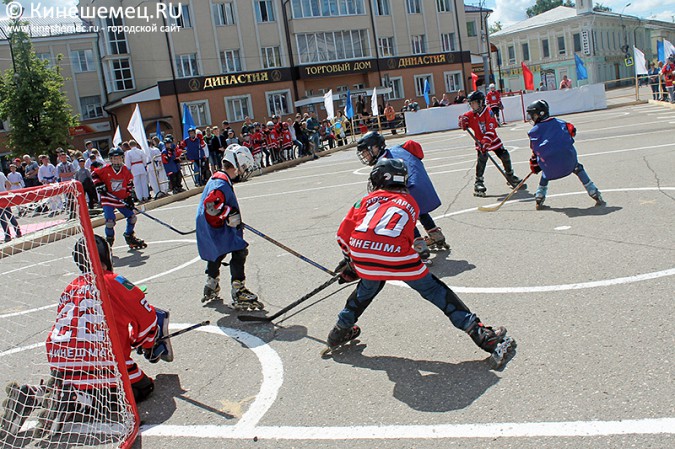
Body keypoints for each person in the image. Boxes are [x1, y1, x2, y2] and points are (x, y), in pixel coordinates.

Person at [323, 158, 515, 368]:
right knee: (435, 291)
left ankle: (340, 330)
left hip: (362, 254)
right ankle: (482, 335)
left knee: (368, 285)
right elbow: (402, 236)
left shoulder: (364, 201)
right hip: (397, 256)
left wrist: (351, 263)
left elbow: (343, 235)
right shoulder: (411, 202)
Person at [0, 235, 173, 439]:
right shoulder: (114, 281)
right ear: (105, 257)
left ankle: (32, 394)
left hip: (60, 360)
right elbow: (148, 318)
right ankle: (74, 398)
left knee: (78, 378)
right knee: (143, 388)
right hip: (99, 359)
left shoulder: (71, 286)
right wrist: (144, 343)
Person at [355, 132, 449, 260]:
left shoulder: (383, 164)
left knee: (405, 215)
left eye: (366, 151)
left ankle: (419, 245)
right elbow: (414, 148)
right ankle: (436, 234)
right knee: (419, 210)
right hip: (421, 186)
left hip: (409, 190)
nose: (365, 155)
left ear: (376, 147)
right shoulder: (397, 149)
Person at [196, 145, 263, 310]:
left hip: (208, 226)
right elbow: (212, 207)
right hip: (214, 226)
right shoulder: (220, 183)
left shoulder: (219, 178)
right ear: (237, 164)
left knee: (217, 252)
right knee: (239, 249)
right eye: (243, 167)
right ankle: (238, 289)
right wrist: (228, 215)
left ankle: (211, 283)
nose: (242, 171)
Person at [526, 100, 605, 209]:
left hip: (550, 169)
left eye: (532, 115)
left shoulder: (533, 132)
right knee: (578, 168)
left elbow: (535, 151)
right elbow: (573, 132)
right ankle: (594, 192)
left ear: (540, 114)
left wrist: (535, 166)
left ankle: (539, 196)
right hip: (569, 163)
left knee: (545, 171)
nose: (531, 118)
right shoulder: (563, 123)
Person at [459, 90, 524, 197]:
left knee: (505, 155)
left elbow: (490, 129)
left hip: (492, 140)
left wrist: (486, 142)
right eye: (470, 103)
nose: (471, 105)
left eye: (473, 103)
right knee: (482, 159)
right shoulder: (472, 114)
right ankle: (478, 182)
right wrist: (463, 121)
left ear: (480, 102)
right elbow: (464, 118)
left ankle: (510, 175)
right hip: (481, 142)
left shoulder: (488, 112)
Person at [92, 148, 146, 250]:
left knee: (132, 217)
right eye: (114, 159)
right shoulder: (105, 169)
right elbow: (94, 175)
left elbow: (129, 184)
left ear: (122, 158)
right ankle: (109, 242)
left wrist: (129, 197)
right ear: (111, 159)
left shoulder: (126, 170)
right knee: (110, 221)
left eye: (119, 158)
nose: (117, 161)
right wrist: (99, 184)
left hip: (120, 198)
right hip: (108, 198)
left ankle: (129, 236)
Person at [0, 170, 21, 242]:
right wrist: (6, 191)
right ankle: (18, 232)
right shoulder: (1, 174)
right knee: (10, 215)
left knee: (2, 218)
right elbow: (9, 184)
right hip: (4, 196)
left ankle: (8, 235)